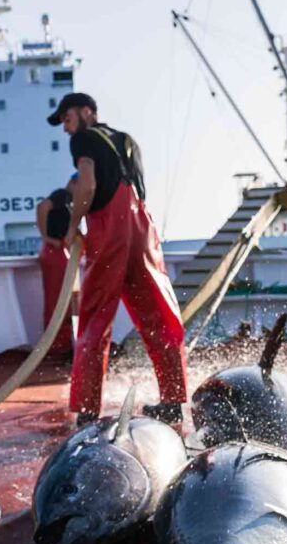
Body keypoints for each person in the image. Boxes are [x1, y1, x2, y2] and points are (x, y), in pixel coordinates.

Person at [47, 92, 189, 426]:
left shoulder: (83, 138)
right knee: (160, 315)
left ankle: (87, 409)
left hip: (109, 228)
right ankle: (172, 401)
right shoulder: (127, 141)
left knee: (96, 316)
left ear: (86, 113)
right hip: (143, 228)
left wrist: (71, 226)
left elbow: (88, 183)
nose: (66, 130)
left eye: (67, 120)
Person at [35, 184, 76, 356]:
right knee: (57, 300)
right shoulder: (63, 196)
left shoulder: (68, 202)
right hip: (55, 252)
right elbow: (42, 206)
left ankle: (63, 342)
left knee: (63, 300)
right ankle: (57, 345)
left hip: (60, 252)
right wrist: (47, 238)